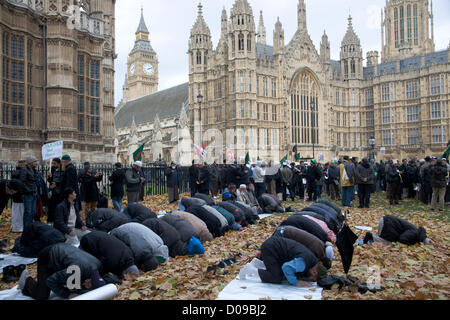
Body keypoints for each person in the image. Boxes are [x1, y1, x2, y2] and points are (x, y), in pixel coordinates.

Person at [19, 243, 104, 300]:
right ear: (88, 284)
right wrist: (68, 294)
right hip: (47, 257)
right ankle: (27, 279)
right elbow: (50, 281)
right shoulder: (75, 270)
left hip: (64, 253)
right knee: (42, 295)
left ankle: (42, 277)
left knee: (73, 286)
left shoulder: (98, 266)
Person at [257, 237, 328, 286]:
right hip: (271, 248)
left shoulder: (312, 261)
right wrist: (295, 282)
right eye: (313, 279)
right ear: (314, 272)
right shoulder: (303, 263)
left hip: (277, 248)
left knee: (286, 274)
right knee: (276, 278)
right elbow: (286, 267)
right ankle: (255, 272)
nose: (310, 280)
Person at [363, 215, 430, 246]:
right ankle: (370, 236)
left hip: (386, 221)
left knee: (386, 238)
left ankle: (371, 238)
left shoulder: (415, 230)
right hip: (388, 223)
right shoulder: (415, 233)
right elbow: (402, 238)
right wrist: (409, 245)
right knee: (389, 242)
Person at [19, 155, 39, 230]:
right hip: (28, 194)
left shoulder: (32, 169)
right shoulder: (24, 170)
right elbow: (22, 182)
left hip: (33, 192)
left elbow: (34, 180)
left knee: (33, 211)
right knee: (28, 211)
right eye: (35, 161)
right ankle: (26, 227)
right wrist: (27, 190)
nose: (36, 163)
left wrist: (36, 172)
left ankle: (30, 226)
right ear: (30, 162)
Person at [47, 158, 64, 224]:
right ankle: (51, 220)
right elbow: (51, 181)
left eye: (55, 163)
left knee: (57, 207)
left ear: (59, 163)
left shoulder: (62, 170)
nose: (53, 165)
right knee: (51, 207)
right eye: (53, 163)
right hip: (53, 191)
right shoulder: (52, 169)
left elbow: (62, 181)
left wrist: (56, 184)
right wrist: (50, 177)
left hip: (59, 192)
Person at [11, 160, 25, 232]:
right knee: (20, 212)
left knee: (16, 212)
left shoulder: (14, 172)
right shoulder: (22, 172)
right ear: (22, 165)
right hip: (20, 194)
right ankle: (19, 227)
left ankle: (15, 226)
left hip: (15, 194)